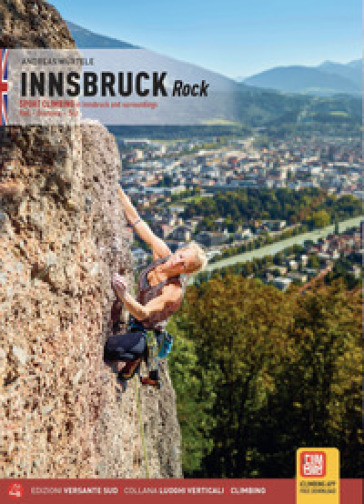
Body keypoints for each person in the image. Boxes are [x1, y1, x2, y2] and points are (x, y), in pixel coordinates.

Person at [103, 186, 207, 384]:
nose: (177, 261)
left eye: (183, 264)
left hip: (146, 330)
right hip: (134, 317)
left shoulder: (173, 290)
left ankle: (137, 357)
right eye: (181, 255)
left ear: (187, 271)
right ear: (180, 250)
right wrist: (118, 190)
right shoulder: (162, 252)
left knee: (112, 349)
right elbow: (137, 221)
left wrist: (123, 295)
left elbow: (143, 313)